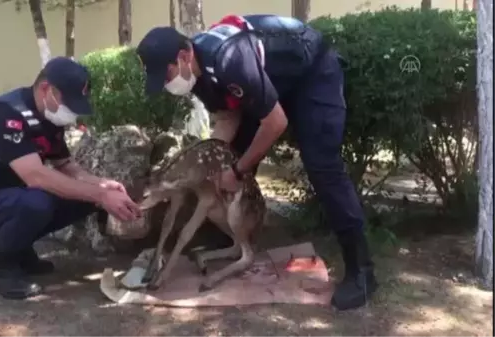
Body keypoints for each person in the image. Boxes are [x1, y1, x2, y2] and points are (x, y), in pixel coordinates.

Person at [135, 14, 378, 310]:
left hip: (313, 73)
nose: (166, 84)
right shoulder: (197, 75)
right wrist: (214, 163)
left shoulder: (230, 59)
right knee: (231, 153)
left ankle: (361, 271)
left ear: (184, 56)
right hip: (271, 82)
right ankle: (230, 236)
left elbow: (275, 123)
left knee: (322, 165)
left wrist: (238, 170)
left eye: (167, 74)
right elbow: (227, 117)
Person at [0, 57, 142, 300]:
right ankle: (1, 269)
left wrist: (102, 186)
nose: (72, 112)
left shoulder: (48, 119)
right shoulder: (3, 115)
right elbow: (36, 175)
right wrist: (100, 193)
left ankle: (20, 251)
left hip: (9, 200)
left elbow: (66, 166)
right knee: (37, 202)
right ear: (46, 89)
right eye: (68, 102)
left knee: (83, 197)